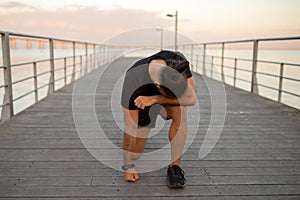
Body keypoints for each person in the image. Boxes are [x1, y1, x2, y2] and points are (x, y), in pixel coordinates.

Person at [121, 50, 197, 188]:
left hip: (156, 99)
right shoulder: (133, 79)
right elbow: (129, 127)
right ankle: (147, 124)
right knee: (135, 155)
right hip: (141, 102)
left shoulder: (178, 62)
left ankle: (175, 168)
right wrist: (128, 166)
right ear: (157, 85)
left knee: (181, 109)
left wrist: (156, 98)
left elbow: (191, 99)